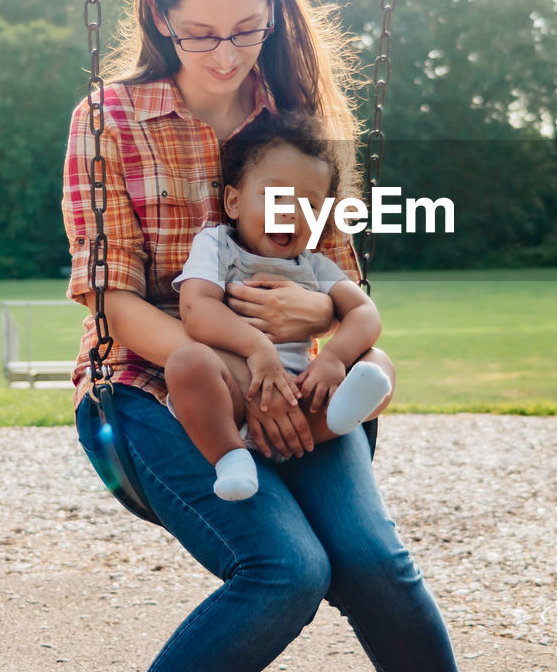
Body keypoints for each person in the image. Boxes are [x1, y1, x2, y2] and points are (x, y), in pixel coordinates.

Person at [55, 0, 557, 672]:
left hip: (305, 378)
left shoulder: (294, 125)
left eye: (246, 30)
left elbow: (343, 283)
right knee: (286, 571)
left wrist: (317, 341)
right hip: (163, 385)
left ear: (272, 16)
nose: (225, 52)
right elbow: (114, 304)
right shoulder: (110, 119)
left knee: (373, 560)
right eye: (201, 32)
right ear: (160, 16)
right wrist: (246, 371)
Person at [167, 108, 394, 500]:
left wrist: (334, 359)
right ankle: (230, 458)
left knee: (379, 363)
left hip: (304, 397)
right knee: (187, 364)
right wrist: (257, 351)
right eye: (275, 196)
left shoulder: (314, 265)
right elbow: (196, 309)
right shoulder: (217, 246)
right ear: (234, 203)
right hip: (233, 397)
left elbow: (364, 312)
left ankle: (337, 420)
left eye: (309, 203)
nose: (289, 211)